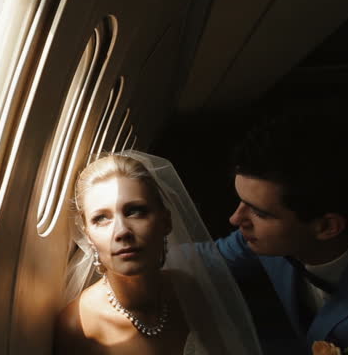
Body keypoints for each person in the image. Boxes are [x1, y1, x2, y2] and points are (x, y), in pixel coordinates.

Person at [55, 152, 261, 354]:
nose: (121, 232)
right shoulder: (78, 326)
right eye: (101, 218)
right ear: (88, 235)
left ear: (165, 221)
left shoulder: (188, 288)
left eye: (135, 211)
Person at [216, 108, 348, 353]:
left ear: (326, 227)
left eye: (259, 213)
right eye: (241, 203)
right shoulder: (275, 236)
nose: (235, 219)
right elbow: (208, 258)